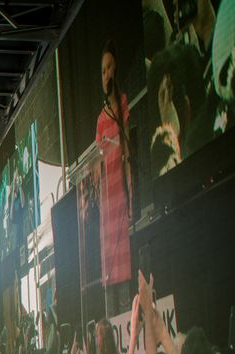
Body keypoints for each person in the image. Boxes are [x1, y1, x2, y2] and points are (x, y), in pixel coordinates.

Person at [97, 39, 133, 316]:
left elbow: (129, 146)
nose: (106, 74)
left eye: (109, 68)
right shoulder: (100, 118)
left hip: (123, 194)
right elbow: (96, 160)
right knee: (109, 273)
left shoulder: (123, 104)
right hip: (106, 205)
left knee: (127, 268)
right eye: (102, 70)